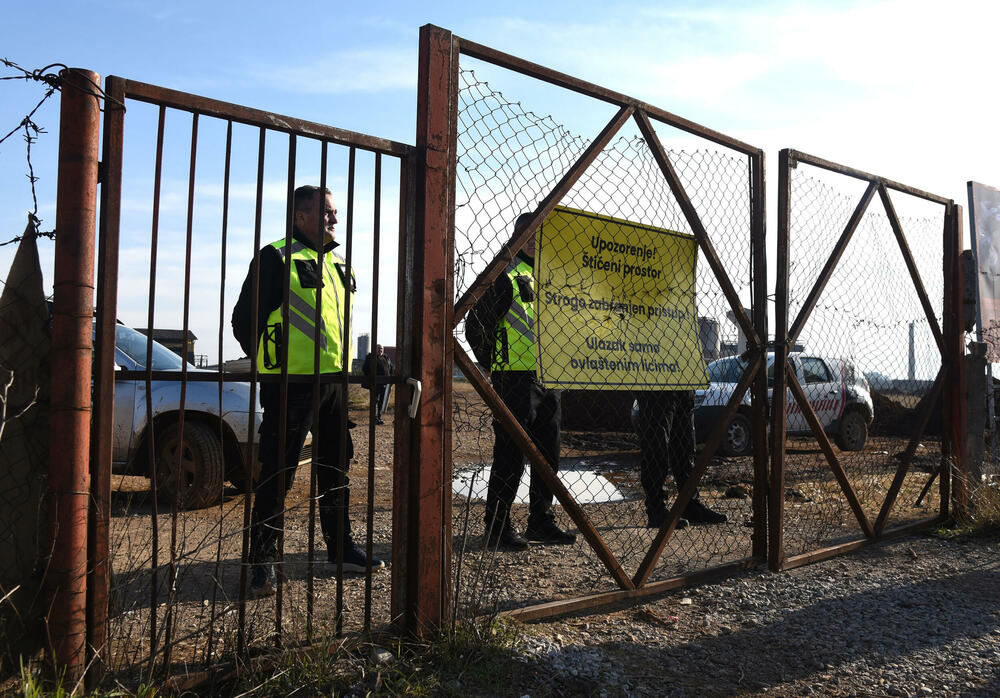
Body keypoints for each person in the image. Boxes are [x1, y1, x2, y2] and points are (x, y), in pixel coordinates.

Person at [232, 184, 384, 598]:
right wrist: (272, 362)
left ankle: (341, 550)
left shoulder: (340, 266)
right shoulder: (275, 257)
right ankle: (262, 560)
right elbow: (244, 322)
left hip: (334, 386)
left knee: (336, 469)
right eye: (326, 213)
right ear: (301, 217)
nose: (335, 219)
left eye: (335, 212)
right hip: (290, 385)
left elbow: (338, 328)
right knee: (277, 474)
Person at [467, 214, 576, 550]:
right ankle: (497, 526)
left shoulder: (553, 276)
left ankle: (540, 521)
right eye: (528, 234)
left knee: (548, 452)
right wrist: (491, 365)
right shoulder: (505, 274)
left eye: (540, 234)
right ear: (517, 236)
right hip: (514, 378)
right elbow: (475, 326)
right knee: (511, 453)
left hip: (549, 376)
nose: (535, 239)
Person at [636, 391, 728, 529]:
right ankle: (656, 510)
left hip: (684, 385)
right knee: (657, 447)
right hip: (656, 388)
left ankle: (690, 505)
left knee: (686, 447)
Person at [361, 344, 394, 424]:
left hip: (384, 384)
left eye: (381, 348)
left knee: (381, 402)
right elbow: (365, 369)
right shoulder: (370, 357)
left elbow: (391, 368)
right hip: (375, 384)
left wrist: (391, 378)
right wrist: (371, 378)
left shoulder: (386, 358)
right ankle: (374, 418)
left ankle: (379, 417)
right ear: (375, 349)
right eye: (379, 348)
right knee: (375, 401)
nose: (380, 350)